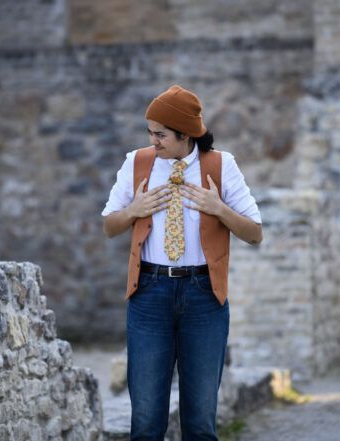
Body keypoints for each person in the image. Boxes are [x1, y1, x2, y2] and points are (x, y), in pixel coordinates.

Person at [101, 84, 263, 440]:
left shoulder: (222, 166)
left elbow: (255, 233)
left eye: (160, 135)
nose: (153, 141)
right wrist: (133, 211)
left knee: (200, 423)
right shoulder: (136, 162)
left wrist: (219, 209)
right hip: (149, 294)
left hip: (204, 296)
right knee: (146, 420)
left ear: (185, 134)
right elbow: (109, 226)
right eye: (150, 132)